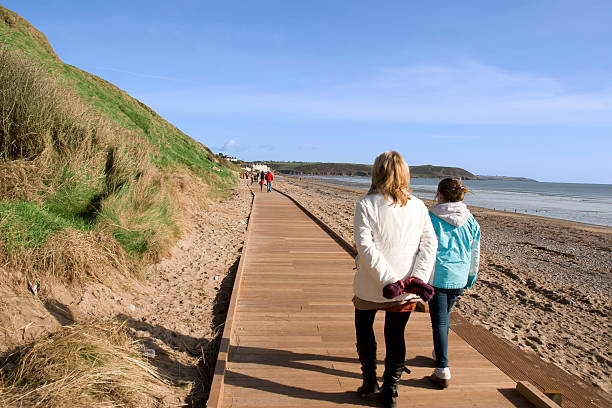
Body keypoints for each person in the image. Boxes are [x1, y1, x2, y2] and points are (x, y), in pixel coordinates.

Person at [353, 151, 438, 408]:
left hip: (372, 285)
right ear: (404, 173)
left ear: (376, 173)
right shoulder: (418, 205)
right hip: (406, 287)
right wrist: (417, 279)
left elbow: (366, 248)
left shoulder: (366, 205)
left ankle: (371, 383)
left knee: (365, 332)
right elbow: (430, 244)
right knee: (396, 335)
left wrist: (390, 281)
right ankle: (390, 390)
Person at [427, 178, 480, 388]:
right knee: (445, 317)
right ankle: (439, 352)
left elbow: (422, 246)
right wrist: (471, 277)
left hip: (437, 276)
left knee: (439, 321)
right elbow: (474, 252)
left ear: (439, 194)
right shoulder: (471, 220)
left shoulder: (431, 217)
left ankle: (442, 368)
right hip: (459, 276)